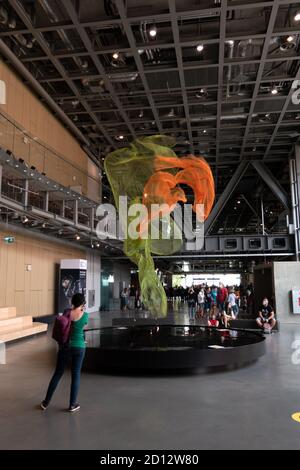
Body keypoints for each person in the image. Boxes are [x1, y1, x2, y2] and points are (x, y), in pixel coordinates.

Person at [41, 293, 88, 412]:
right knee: (75, 375)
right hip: (79, 347)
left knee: (57, 374)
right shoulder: (85, 315)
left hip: (65, 347)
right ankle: (72, 404)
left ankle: (45, 403)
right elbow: (82, 329)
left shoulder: (67, 312)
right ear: (82, 303)